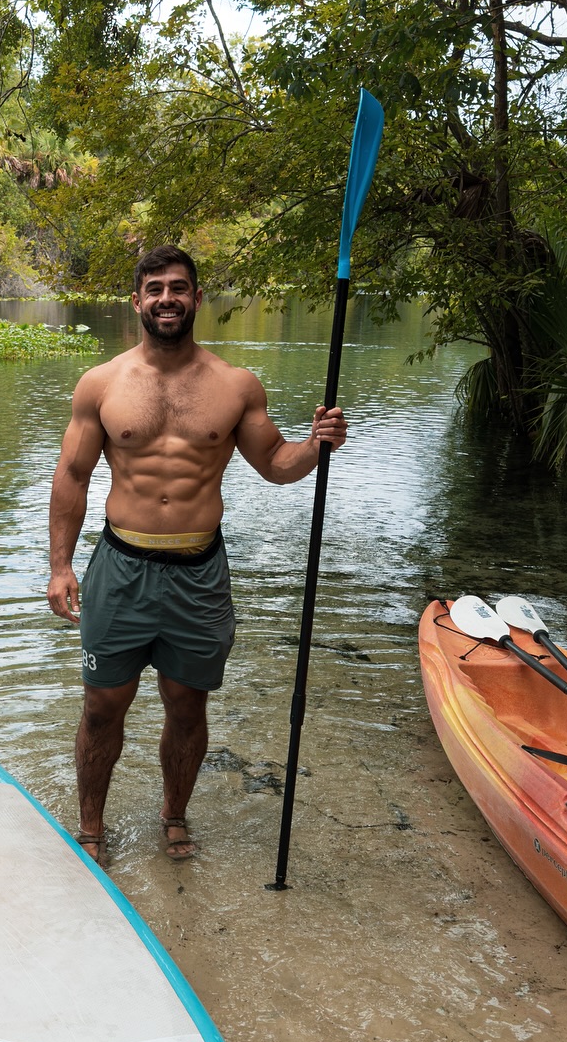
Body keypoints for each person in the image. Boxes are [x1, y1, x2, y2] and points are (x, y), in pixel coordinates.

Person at [46, 244, 348, 862]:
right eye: (155, 289)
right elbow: (72, 476)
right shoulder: (101, 383)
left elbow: (275, 463)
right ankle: (91, 827)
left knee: (187, 707)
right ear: (137, 300)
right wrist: (60, 566)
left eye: (178, 288)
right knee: (102, 707)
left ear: (197, 298)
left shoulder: (235, 385)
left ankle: (174, 815)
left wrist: (316, 445)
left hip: (199, 573)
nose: (167, 299)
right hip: (121, 567)